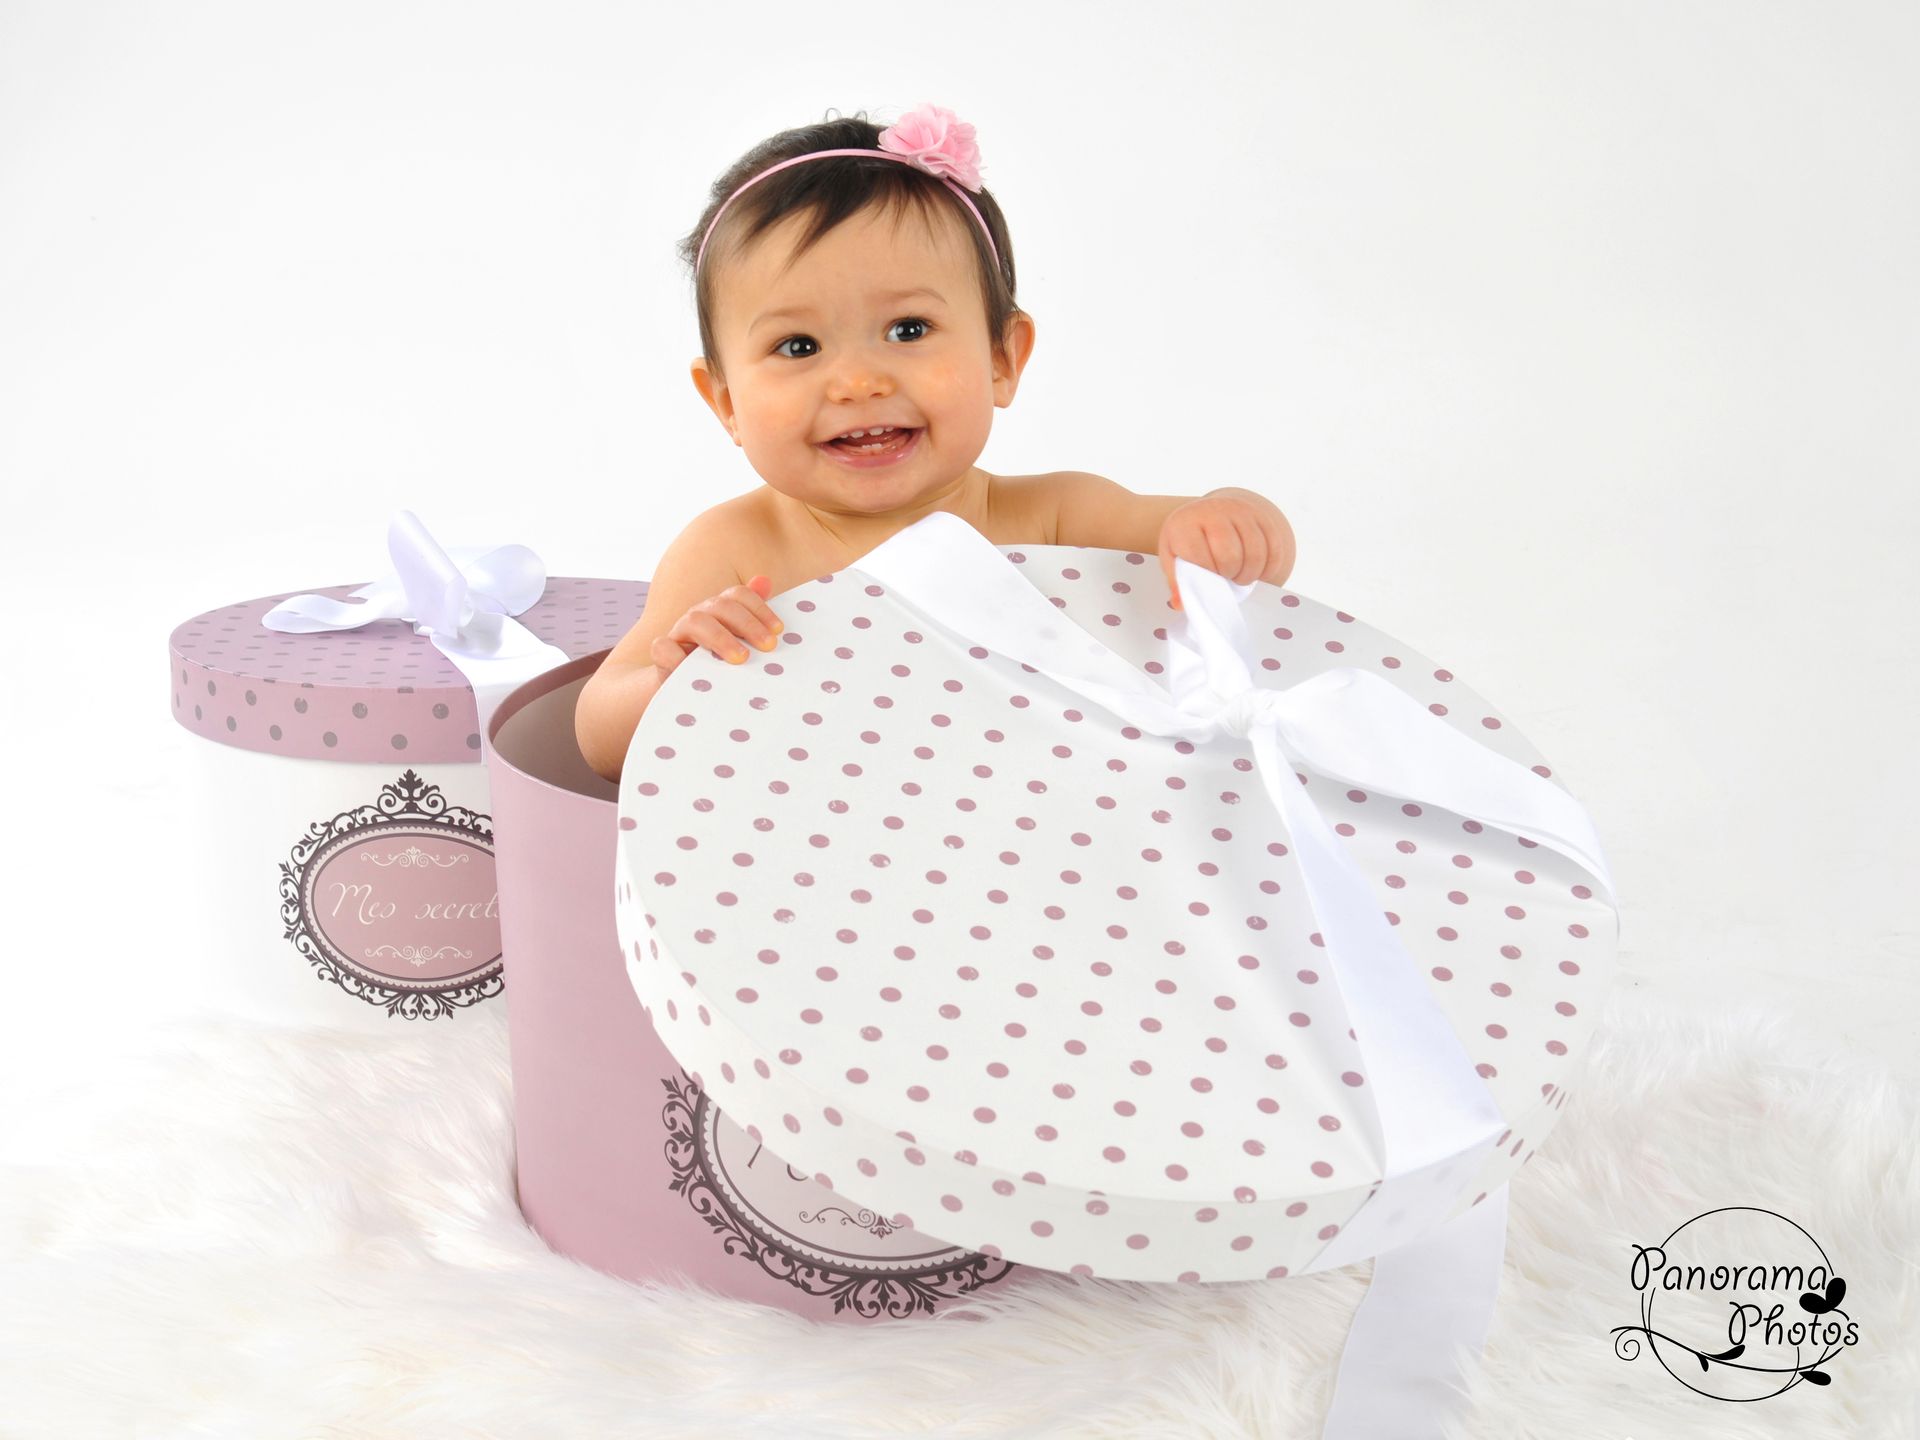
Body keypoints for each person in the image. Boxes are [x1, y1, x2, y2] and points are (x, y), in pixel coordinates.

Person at [576, 104, 1296, 783]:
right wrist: (673, 684)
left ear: (1002, 358)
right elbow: (599, 738)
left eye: (908, 330)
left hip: (1049, 835)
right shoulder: (732, 551)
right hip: (812, 861)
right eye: (799, 345)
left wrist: (1231, 522)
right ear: (727, 403)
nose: (857, 381)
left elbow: (1222, 565)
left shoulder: (1055, 518)